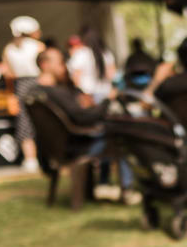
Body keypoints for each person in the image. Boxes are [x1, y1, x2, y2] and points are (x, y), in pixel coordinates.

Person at [34, 48, 138, 203]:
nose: (65, 67)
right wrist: (107, 100)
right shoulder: (56, 92)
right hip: (76, 147)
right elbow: (84, 117)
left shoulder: (35, 92)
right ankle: (128, 190)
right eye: (61, 63)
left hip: (58, 148)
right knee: (123, 136)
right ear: (45, 64)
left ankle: (106, 184)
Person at [3, 15, 45, 172]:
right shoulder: (38, 46)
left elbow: (8, 73)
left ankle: (30, 159)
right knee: (43, 118)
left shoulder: (9, 48)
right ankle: (44, 156)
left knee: (24, 121)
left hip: (20, 85)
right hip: (37, 84)